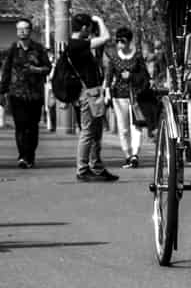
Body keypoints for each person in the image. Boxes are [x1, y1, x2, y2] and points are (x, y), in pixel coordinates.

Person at [58, 14, 115, 182]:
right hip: (86, 95)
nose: (91, 30)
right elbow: (105, 38)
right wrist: (99, 20)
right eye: (89, 26)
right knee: (88, 132)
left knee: (96, 132)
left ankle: (96, 166)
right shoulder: (76, 45)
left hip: (93, 93)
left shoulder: (79, 45)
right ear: (84, 28)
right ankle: (82, 169)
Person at [1, 16, 52, 168]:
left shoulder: (39, 49)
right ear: (17, 31)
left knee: (32, 126)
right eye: (19, 29)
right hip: (16, 94)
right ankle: (22, 156)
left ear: (30, 30)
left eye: (25, 28)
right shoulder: (12, 49)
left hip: (35, 95)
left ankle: (30, 154)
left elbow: (48, 68)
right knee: (20, 126)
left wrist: (36, 70)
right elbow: (6, 71)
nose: (22, 31)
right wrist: (2, 91)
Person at [105, 27, 152, 168]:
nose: (120, 44)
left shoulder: (137, 56)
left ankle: (135, 155)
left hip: (136, 96)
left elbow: (145, 76)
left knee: (136, 126)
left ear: (129, 41)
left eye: (123, 41)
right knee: (123, 128)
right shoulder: (113, 57)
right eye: (117, 41)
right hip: (119, 97)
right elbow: (109, 76)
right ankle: (127, 154)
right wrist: (107, 92)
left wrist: (131, 76)